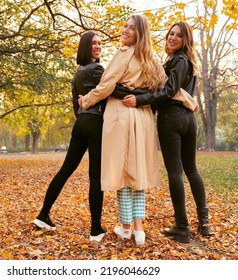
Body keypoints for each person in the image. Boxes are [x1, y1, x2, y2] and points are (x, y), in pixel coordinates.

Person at [32, 31, 142, 242]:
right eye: (93, 44)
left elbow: (77, 103)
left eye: (100, 43)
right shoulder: (97, 69)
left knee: (65, 170)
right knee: (95, 177)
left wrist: (84, 116)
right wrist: (138, 93)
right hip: (95, 124)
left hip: (80, 123)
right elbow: (111, 89)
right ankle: (95, 229)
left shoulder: (78, 72)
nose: (98, 46)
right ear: (85, 47)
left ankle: (43, 214)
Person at [79, 15, 167, 246]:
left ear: (139, 33)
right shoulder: (151, 59)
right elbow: (167, 88)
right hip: (143, 118)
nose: (125, 31)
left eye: (130, 28)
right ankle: (138, 230)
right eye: (125, 26)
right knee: (136, 172)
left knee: (121, 172)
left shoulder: (124, 54)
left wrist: (86, 100)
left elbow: (106, 85)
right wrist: (189, 100)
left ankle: (127, 228)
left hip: (121, 115)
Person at [122, 21, 211, 243]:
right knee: (191, 169)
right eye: (171, 34)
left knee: (177, 172)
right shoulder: (185, 62)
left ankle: (182, 226)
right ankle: (204, 222)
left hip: (173, 119)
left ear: (185, 41)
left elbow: (168, 91)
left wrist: (139, 100)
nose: (172, 38)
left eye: (178, 36)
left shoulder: (179, 60)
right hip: (189, 119)